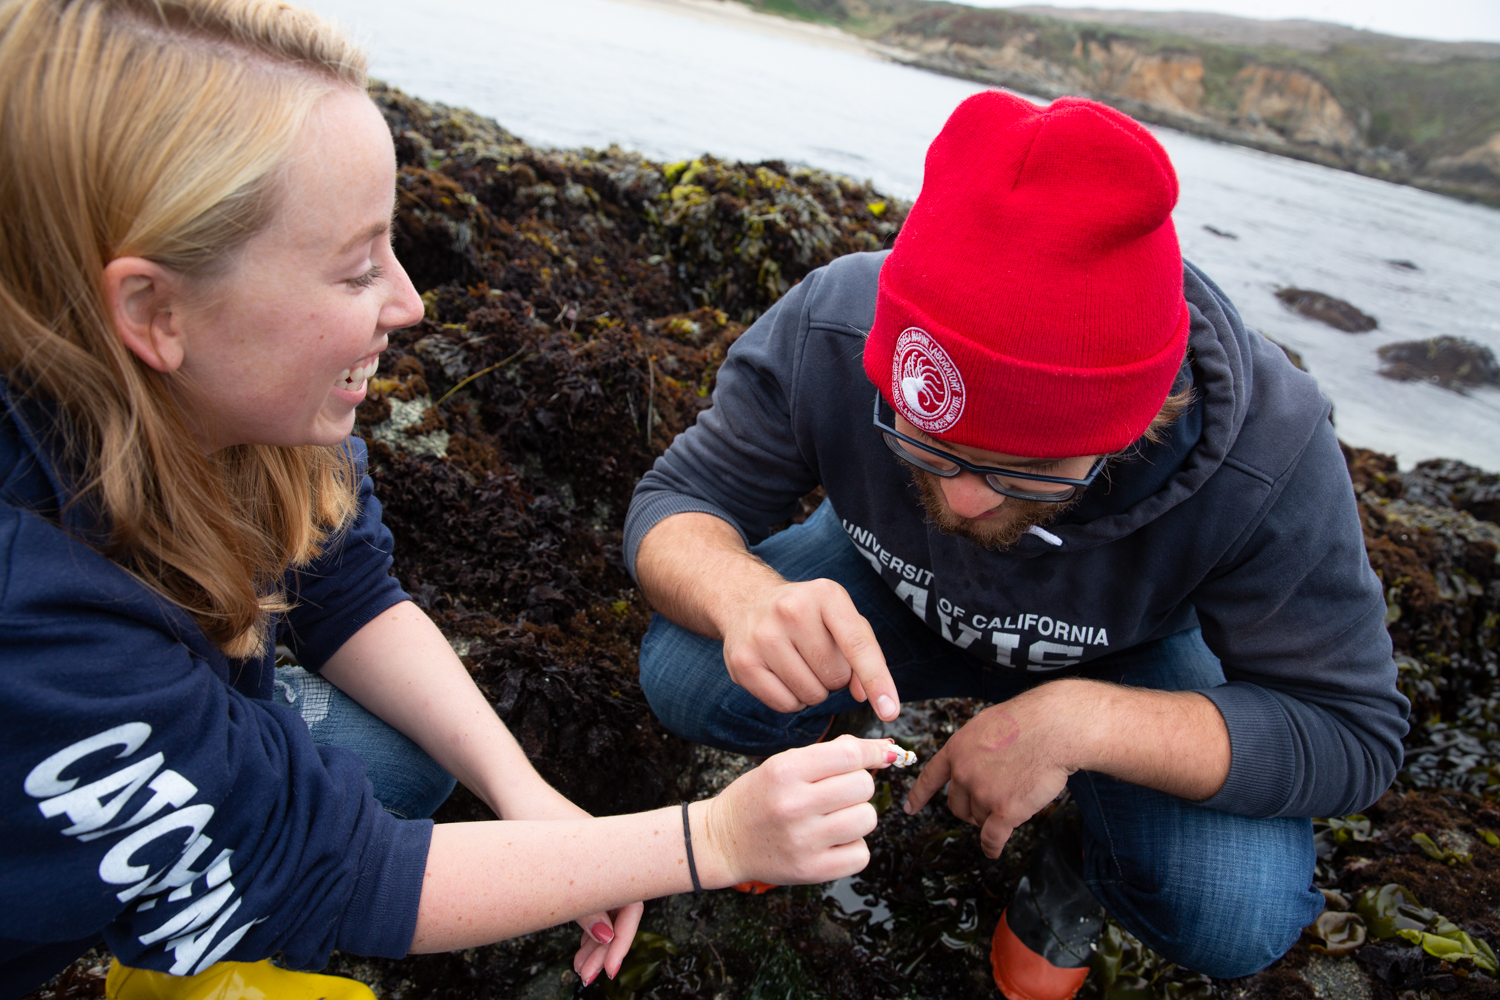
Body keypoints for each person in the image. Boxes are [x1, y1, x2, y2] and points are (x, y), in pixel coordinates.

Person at [0, 2, 901, 997]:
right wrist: (710, 837)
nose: (409, 303)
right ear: (154, 310)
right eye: (354, 268)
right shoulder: (33, 612)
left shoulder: (250, 419)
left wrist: (527, 794)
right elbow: (345, 872)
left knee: (400, 766)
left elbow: (349, 592)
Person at [626, 90, 1409, 997]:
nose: (960, 496)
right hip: (882, 588)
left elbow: (1353, 733)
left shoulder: (1272, 452)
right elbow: (680, 499)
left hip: (1132, 650)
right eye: (927, 442)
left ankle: (1076, 868)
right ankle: (811, 777)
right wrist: (744, 597)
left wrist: (1086, 724)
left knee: (1232, 910)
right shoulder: (836, 325)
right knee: (691, 671)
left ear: (1143, 420)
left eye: (1026, 470)